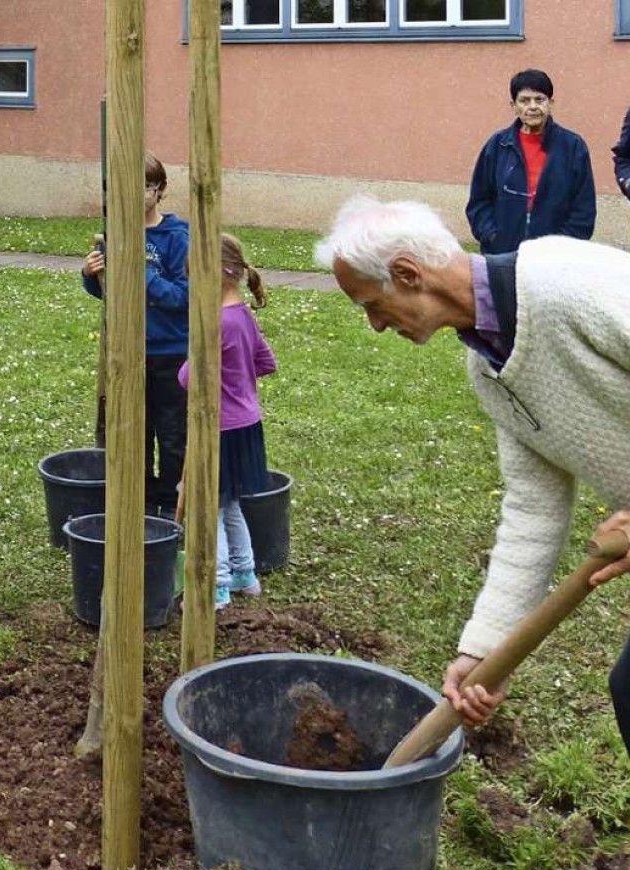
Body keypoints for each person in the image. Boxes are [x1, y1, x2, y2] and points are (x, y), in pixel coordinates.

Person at [317, 195, 630, 774]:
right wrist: (483, 650)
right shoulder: (489, 369)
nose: (375, 324)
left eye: (372, 304)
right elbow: (533, 513)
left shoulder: (566, 283)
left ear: (408, 275)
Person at [81, 153, 190, 517]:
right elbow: (109, 294)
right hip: (130, 351)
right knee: (134, 432)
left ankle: (174, 506)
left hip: (171, 353)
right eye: (125, 187)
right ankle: (140, 506)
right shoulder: (115, 234)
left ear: (159, 191)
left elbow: (183, 297)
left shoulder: (177, 238)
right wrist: (91, 273)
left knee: (173, 436)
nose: (136, 195)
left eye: (145, 187)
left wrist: (141, 274)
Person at [176, 234, 277, 609]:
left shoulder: (217, 322)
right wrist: (238, 381)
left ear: (217, 273)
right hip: (247, 425)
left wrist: (213, 373)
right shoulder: (243, 315)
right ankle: (245, 574)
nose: (191, 285)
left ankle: (216, 586)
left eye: (193, 276)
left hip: (221, 429)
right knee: (230, 503)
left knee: (209, 507)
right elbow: (266, 362)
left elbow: (187, 378)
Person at [466, 68, 596, 254]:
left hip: (554, 259)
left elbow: (583, 210)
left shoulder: (573, 147)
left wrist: (562, 248)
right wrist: (492, 236)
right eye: (525, 100)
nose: (533, 106)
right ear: (514, 106)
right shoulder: (497, 146)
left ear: (551, 103)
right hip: (502, 256)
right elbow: (479, 202)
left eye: (539, 99)